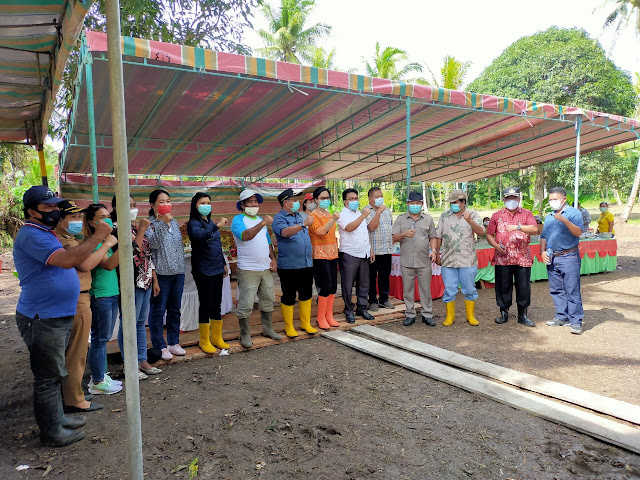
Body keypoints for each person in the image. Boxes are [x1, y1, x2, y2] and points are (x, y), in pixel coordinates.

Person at [13, 186, 113, 447]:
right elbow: (69, 260)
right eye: (48, 208)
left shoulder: (45, 233)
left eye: (56, 207)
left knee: (55, 372)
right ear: (31, 212)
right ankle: (52, 431)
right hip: (42, 315)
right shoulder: (32, 235)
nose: (54, 211)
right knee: (46, 377)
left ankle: (58, 419)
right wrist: (100, 236)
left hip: (55, 313)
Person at [55, 200, 115, 413]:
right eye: (72, 217)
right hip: (79, 299)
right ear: (59, 219)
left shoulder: (71, 238)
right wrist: (106, 243)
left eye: (78, 217)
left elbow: (107, 263)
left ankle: (73, 393)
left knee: (77, 350)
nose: (77, 221)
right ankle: (74, 399)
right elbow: (85, 264)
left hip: (82, 296)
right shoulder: (66, 240)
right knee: (77, 351)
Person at [111, 195, 163, 378]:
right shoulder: (115, 229)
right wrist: (142, 229)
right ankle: (129, 364)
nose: (133, 208)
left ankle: (142, 360)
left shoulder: (133, 227)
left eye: (134, 205)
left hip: (145, 280)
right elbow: (131, 251)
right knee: (129, 322)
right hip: (128, 282)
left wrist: (154, 280)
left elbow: (147, 256)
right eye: (128, 205)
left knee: (140, 322)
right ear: (117, 208)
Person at [231, 189, 282, 347]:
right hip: (248, 268)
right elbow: (245, 236)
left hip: (264, 267)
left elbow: (267, 242)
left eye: (256, 201)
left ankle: (268, 329)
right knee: (246, 302)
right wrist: (262, 223)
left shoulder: (260, 219)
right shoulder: (238, 220)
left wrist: (273, 259)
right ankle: (244, 334)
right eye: (250, 202)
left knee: (267, 299)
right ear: (242, 205)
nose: (254, 204)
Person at [485, 188, 539, 328]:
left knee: (523, 287)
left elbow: (534, 229)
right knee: (503, 286)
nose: (511, 201)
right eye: (508, 198)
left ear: (519, 199)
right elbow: (489, 234)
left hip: (522, 257)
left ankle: (523, 315)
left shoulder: (527, 213)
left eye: (514, 198)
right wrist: (495, 245)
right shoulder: (497, 215)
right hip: (503, 257)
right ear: (504, 200)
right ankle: (504, 313)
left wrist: (518, 227)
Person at [84, 204, 123, 396]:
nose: (107, 220)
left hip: (111, 293)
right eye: (101, 217)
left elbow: (112, 264)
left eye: (108, 216)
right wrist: (121, 245)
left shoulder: (103, 242)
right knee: (99, 339)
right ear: (92, 222)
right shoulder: (94, 242)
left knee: (103, 338)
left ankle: (101, 376)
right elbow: (108, 266)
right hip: (100, 295)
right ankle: (97, 380)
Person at [146, 189, 186, 361]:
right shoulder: (150, 224)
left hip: (178, 272)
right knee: (158, 311)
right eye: (161, 201)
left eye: (167, 201)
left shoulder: (174, 222)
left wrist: (168, 223)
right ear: (153, 205)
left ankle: (173, 342)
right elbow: (153, 245)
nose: (165, 204)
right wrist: (163, 223)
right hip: (161, 274)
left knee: (175, 309)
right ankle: (159, 345)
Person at [187, 192, 230, 354]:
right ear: (195, 206)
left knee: (216, 303)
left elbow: (217, 245)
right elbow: (199, 237)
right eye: (203, 203)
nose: (207, 205)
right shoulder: (193, 223)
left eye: (208, 202)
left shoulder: (209, 221)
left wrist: (224, 263)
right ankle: (204, 340)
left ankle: (217, 337)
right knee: (205, 304)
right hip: (203, 269)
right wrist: (217, 226)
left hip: (217, 267)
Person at [436, 190, 485, 326]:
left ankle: (470, 316)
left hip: (467, 259)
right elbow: (438, 235)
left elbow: (482, 233)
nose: (452, 205)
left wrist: (470, 221)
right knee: (449, 289)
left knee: (469, 288)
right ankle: (449, 316)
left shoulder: (473, 215)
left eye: (455, 202)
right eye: (451, 203)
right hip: (448, 259)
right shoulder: (444, 216)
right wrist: (436, 252)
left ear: (463, 202)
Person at [272, 188, 317, 337]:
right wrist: (303, 225)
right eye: (294, 200)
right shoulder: (279, 218)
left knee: (306, 293)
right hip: (289, 265)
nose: (297, 202)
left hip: (305, 263)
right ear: (286, 202)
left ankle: (305, 323)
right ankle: (289, 326)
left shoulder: (299, 216)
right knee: (289, 295)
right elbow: (284, 233)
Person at [541, 187, 584, 335]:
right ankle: (561, 316)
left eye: (555, 199)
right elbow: (543, 236)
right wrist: (542, 251)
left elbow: (578, 232)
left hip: (569, 256)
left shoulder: (574, 213)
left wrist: (564, 220)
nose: (552, 202)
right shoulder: (549, 216)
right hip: (552, 257)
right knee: (556, 289)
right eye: (551, 199)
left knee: (572, 289)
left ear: (563, 199)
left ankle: (576, 321)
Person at [392, 192, 438, 326]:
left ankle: (427, 314)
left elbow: (433, 237)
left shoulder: (428, 219)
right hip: (406, 261)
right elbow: (394, 237)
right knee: (408, 289)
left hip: (424, 260)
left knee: (425, 289)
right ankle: (410, 314)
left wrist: (434, 250)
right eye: (412, 203)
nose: (415, 205)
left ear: (422, 204)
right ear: (407, 204)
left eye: (418, 203)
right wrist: (404, 234)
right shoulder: (401, 219)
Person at [337, 188, 374, 324]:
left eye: (356, 198)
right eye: (351, 199)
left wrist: (370, 250)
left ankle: (362, 307)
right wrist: (363, 216)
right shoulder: (342, 214)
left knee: (364, 282)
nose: (354, 201)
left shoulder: (359, 212)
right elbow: (349, 228)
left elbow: (365, 233)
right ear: (345, 201)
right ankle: (348, 309)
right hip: (349, 253)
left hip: (363, 252)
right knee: (347, 283)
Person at [307, 187, 341, 329]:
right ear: (315, 200)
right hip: (320, 255)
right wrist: (333, 220)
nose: (325, 200)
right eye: (322, 198)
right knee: (325, 286)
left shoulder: (328, 214)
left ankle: (329, 315)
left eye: (327, 198)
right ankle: (321, 317)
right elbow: (320, 232)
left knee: (333, 286)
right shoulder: (313, 215)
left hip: (332, 253)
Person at [366, 187, 394, 311]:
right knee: (371, 276)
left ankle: (384, 298)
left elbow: (391, 227)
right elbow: (371, 227)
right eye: (377, 196)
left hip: (386, 249)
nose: (380, 198)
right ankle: (372, 300)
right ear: (370, 199)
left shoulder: (387, 210)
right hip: (373, 250)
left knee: (385, 275)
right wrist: (378, 213)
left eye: (381, 196)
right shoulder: (366, 211)